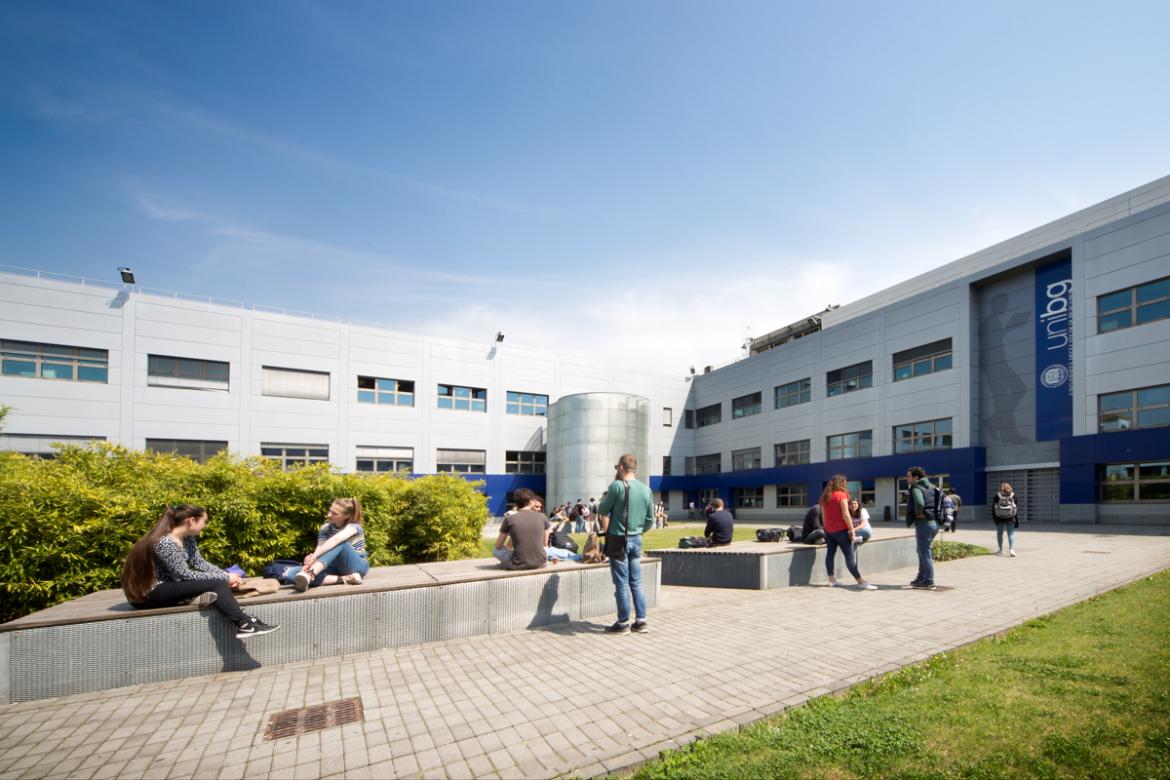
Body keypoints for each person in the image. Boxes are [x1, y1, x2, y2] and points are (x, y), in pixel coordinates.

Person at [121, 504, 279, 638]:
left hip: (169, 586)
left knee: (218, 582)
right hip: (149, 594)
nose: (205, 525)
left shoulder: (188, 538)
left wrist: (225, 575)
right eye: (204, 521)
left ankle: (244, 621)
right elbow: (184, 574)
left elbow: (199, 562)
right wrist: (224, 578)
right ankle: (243, 622)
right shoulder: (165, 542)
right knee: (217, 583)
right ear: (191, 521)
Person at [598, 453, 656, 634]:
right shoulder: (646, 489)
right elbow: (649, 520)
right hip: (637, 538)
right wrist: (637, 531)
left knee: (622, 583)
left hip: (618, 539)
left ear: (621, 468)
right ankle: (641, 621)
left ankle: (623, 623)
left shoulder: (617, 486)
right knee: (636, 582)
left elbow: (602, 509)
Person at [293, 498, 370, 591]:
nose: (328, 515)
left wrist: (314, 558)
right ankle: (345, 579)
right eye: (330, 510)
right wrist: (310, 561)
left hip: (356, 566)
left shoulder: (354, 527)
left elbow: (336, 539)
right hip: (334, 567)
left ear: (346, 516)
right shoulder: (325, 528)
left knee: (341, 543)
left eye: (335, 513)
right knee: (292, 574)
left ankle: (310, 574)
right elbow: (320, 548)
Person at [820, 476, 877, 590]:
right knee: (849, 558)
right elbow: (846, 514)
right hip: (841, 531)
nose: (846, 485)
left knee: (830, 554)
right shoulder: (842, 495)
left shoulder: (824, 497)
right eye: (845, 483)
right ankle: (860, 582)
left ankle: (831, 580)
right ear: (841, 483)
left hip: (829, 531)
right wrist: (851, 529)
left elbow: (823, 515)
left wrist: (826, 528)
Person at [493, 488, 551, 570]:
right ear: (531, 501)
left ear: (516, 503)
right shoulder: (543, 517)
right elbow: (545, 543)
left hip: (517, 564)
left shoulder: (509, 519)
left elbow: (497, 546)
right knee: (545, 549)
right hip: (541, 562)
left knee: (495, 550)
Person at [906, 466, 940, 589]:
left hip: (924, 523)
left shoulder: (916, 487)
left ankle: (929, 581)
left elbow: (919, 503)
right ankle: (921, 577)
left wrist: (918, 513)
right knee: (922, 550)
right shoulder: (932, 486)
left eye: (908, 476)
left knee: (925, 552)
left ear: (916, 477)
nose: (907, 478)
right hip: (935, 522)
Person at [992, 482, 1019, 556]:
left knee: (999, 534)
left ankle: (1000, 550)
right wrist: (1015, 518)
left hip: (999, 517)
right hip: (1010, 517)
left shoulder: (997, 495)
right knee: (1011, 534)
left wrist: (995, 517)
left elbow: (993, 507)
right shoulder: (1013, 495)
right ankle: (1011, 550)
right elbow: (1015, 507)